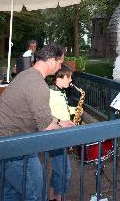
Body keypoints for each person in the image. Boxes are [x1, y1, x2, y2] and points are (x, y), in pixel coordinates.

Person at [0, 43, 75, 201]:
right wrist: (67, 132)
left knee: (12, 193)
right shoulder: (38, 85)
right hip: (13, 149)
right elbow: (47, 128)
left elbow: (39, 114)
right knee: (35, 193)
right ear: (52, 61)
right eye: (60, 62)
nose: (60, 66)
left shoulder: (27, 74)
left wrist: (60, 121)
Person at [48, 65, 76, 201]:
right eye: (69, 77)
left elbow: (62, 108)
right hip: (55, 135)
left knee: (58, 169)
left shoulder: (59, 91)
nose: (71, 80)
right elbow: (47, 115)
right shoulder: (50, 93)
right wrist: (59, 121)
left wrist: (74, 110)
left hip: (60, 134)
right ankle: (58, 198)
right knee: (64, 171)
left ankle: (53, 196)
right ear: (60, 77)